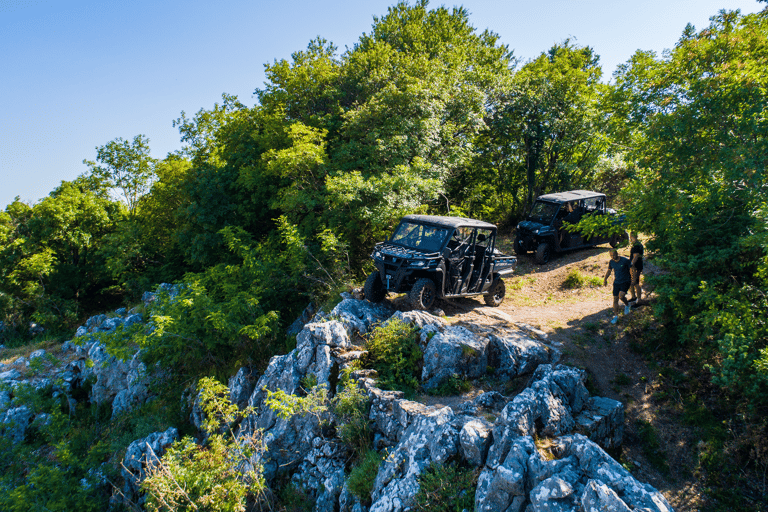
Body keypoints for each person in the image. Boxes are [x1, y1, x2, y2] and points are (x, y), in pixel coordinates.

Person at [603, 248, 632, 324]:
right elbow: (609, 270)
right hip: (617, 282)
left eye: (614, 255)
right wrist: (605, 279)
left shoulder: (625, 260)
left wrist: (633, 279)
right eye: (611, 255)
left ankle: (627, 305)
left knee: (621, 296)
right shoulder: (611, 262)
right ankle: (616, 316)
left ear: (617, 253)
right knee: (615, 299)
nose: (612, 256)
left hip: (625, 281)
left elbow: (632, 268)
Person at [628, 232, 644, 304]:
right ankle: (634, 297)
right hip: (637, 266)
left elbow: (636, 256)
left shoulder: (636, 246)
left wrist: (631, 264)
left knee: (636, 283)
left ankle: (639, 299)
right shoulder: (638, 244)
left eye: (631, 236)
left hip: (635, 267)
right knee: (632, 282)